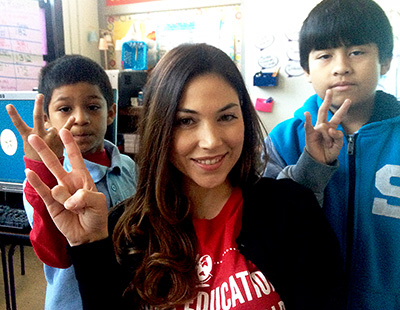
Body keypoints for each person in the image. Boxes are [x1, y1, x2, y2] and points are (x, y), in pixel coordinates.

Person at [26, 43, 345, 310]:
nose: (211, 140)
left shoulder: (291, 209)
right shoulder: (126, 230)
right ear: (159, 129)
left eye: (227, 116)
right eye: (186, 122)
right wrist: (89, 246)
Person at [263, 0, 399, 308]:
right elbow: (269, 231)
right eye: (325, 55)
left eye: (357, 52)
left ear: (386, 60)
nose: (341, 66)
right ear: (307, 70)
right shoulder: (284, 140)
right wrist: (311, 167)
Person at [6, 55, 137, 310]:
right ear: (46, 120)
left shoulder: (129, 167)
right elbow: (55, 255)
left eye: (93, 106)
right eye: (65, 109)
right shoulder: (43, 182)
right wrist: (40, 169)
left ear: (110, 113)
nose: (80, 118)